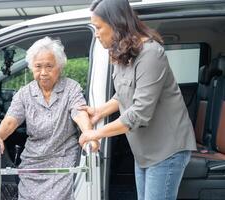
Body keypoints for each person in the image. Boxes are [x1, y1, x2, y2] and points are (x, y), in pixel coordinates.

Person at [79, 0, 197, 200]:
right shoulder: (121, 53)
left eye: (98, 27)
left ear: (116, 24)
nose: (96, 33)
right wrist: (99, 112)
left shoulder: (151, 53)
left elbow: (140, 113)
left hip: (167, 150)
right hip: (144, 151)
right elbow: (123, 94)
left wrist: (95, 134)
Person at [0, 36, 98, 200]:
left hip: (62, 156)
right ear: (32, 67)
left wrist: (89, 135)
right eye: (38, 67)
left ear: (59, 67)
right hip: (33, 160)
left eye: (49, 66)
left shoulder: (71, 87)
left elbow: (79, 113)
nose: (43, 72)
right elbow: (11, 120)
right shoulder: (24, 93)